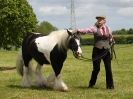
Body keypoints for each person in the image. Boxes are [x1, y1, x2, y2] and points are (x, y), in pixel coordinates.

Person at [78, 16, 115, 89]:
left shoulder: (109, 29)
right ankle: (91, 84)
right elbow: (87, 30)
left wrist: (112, 41)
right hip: (97, 51)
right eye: (98, 20)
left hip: (106, 51)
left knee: (108, 69)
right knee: (96, 69)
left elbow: (110, 37)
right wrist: (78, 30)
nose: (99, 21)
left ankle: (110, 86)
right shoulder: (94, 28)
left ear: (104, 21)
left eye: (100, 20)